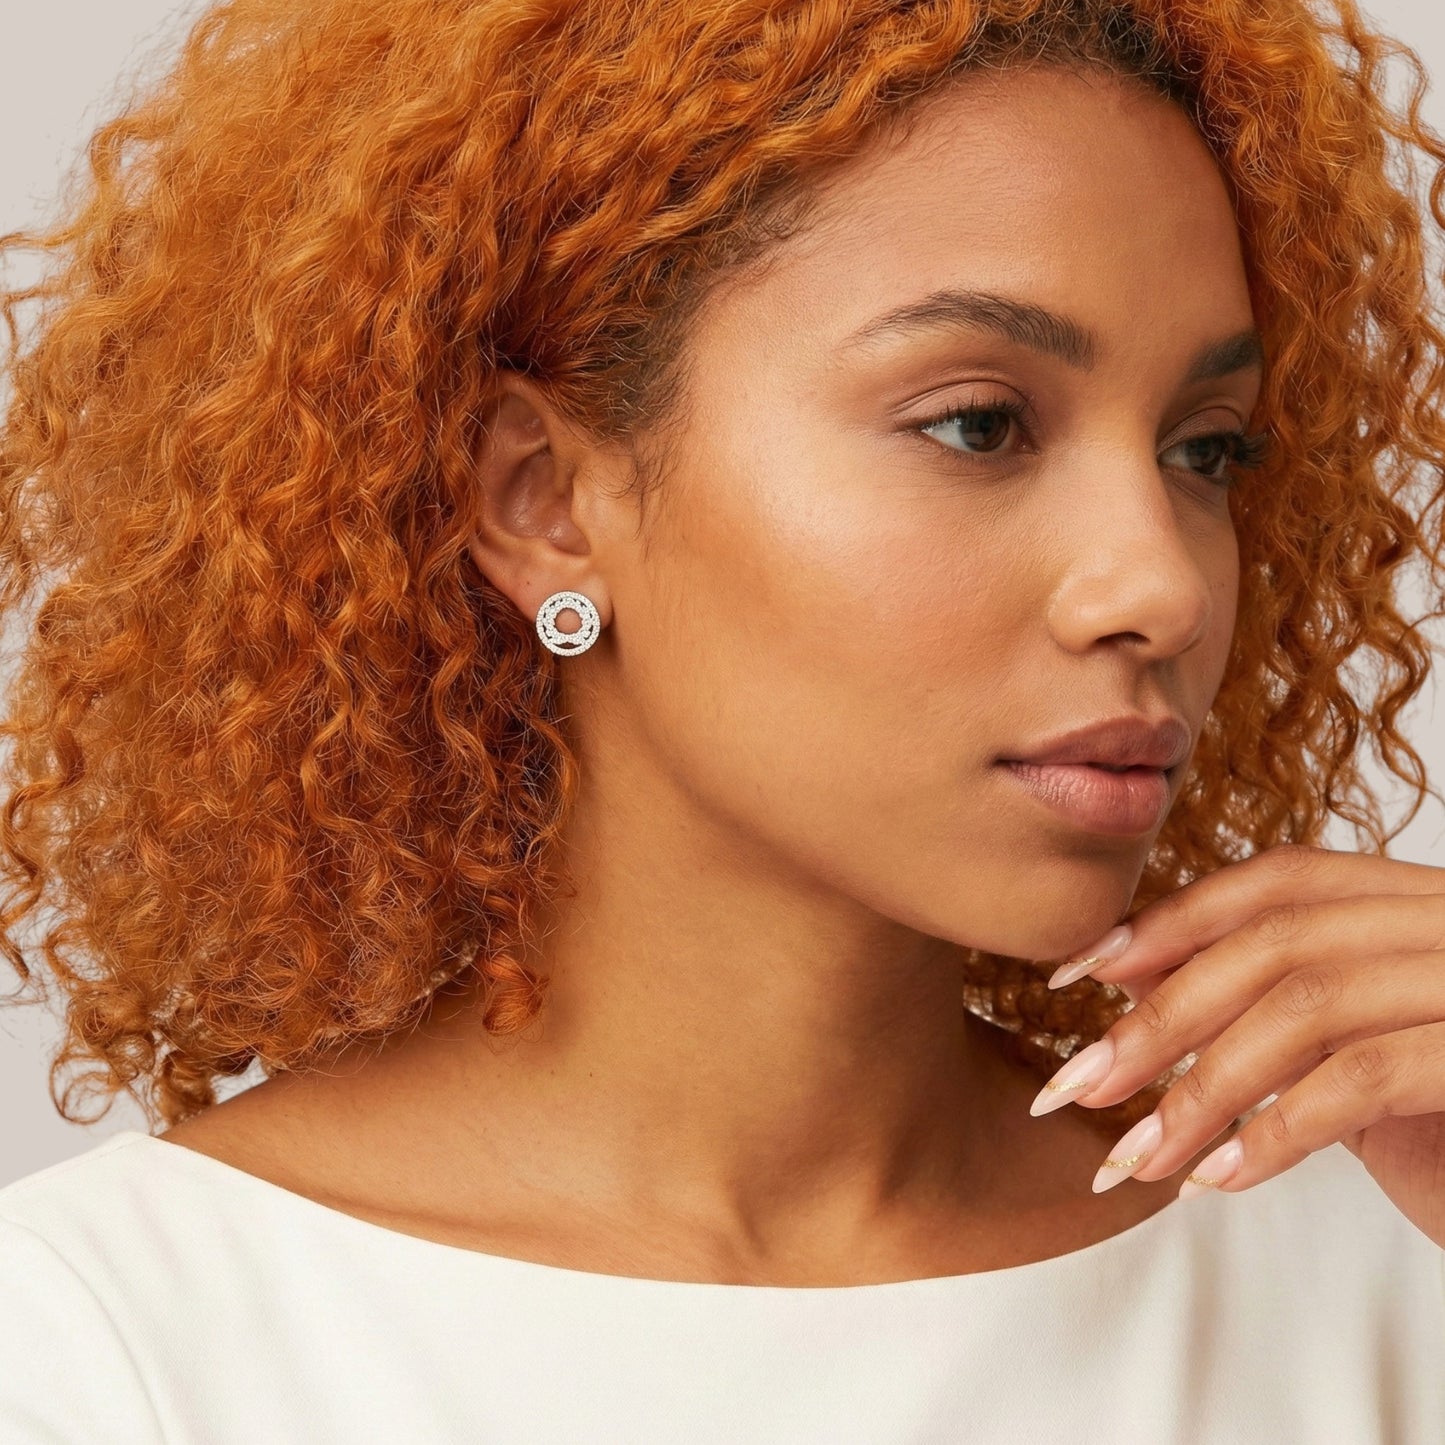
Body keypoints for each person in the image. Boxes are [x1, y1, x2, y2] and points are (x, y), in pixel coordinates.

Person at [2, 0, 1443, 1439]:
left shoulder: (1379, 1263)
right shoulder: (105, 1346)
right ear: (546, 501)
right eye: (978, 423)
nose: (1159, 585)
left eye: (1205, 449)